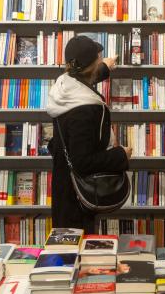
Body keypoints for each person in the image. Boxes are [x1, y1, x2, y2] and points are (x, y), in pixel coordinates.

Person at [47, 36, 132, 233]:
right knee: (77, 252)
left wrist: (106, 67)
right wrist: (121, 154)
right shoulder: (84, 111)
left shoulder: (63, 87)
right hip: (77, 198)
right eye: (99, 58)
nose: (101, 59)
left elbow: (84, 80)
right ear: (92, 65)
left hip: (65, 186)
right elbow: (83, 161)